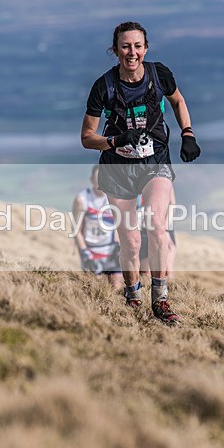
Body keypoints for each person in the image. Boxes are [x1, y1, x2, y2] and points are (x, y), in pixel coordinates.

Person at [80, 21, 201, 325]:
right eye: (125, 46)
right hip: (118, 169)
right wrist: (115, 141)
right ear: (115, 50)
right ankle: (133, 294)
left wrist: (188, 134)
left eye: (137, 46)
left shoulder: (160, 74)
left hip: (154, 162)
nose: (131, 52)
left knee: (157, 227)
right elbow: (86, 137)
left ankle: (160, 300)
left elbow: (178, 101)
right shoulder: (104, 87)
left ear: (146, 48)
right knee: (130, 240)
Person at [72, 165, 124, 289]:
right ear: (91, 180)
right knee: (97, 288)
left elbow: (120, 226)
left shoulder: (114, 198)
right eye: (97, 180)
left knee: (117, 286)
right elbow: (76, 230)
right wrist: (85, 253)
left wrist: (118, 247)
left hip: (110, 251)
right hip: (91, 252)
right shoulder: (82, 199)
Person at [138, 188, 177, 280]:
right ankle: (147, 292)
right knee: (145, 273)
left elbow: (172, 204)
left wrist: (166, 231)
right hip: (142, 230)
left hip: (163, 228)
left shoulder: (163, 175)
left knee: (167, 270)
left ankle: (170, 292)